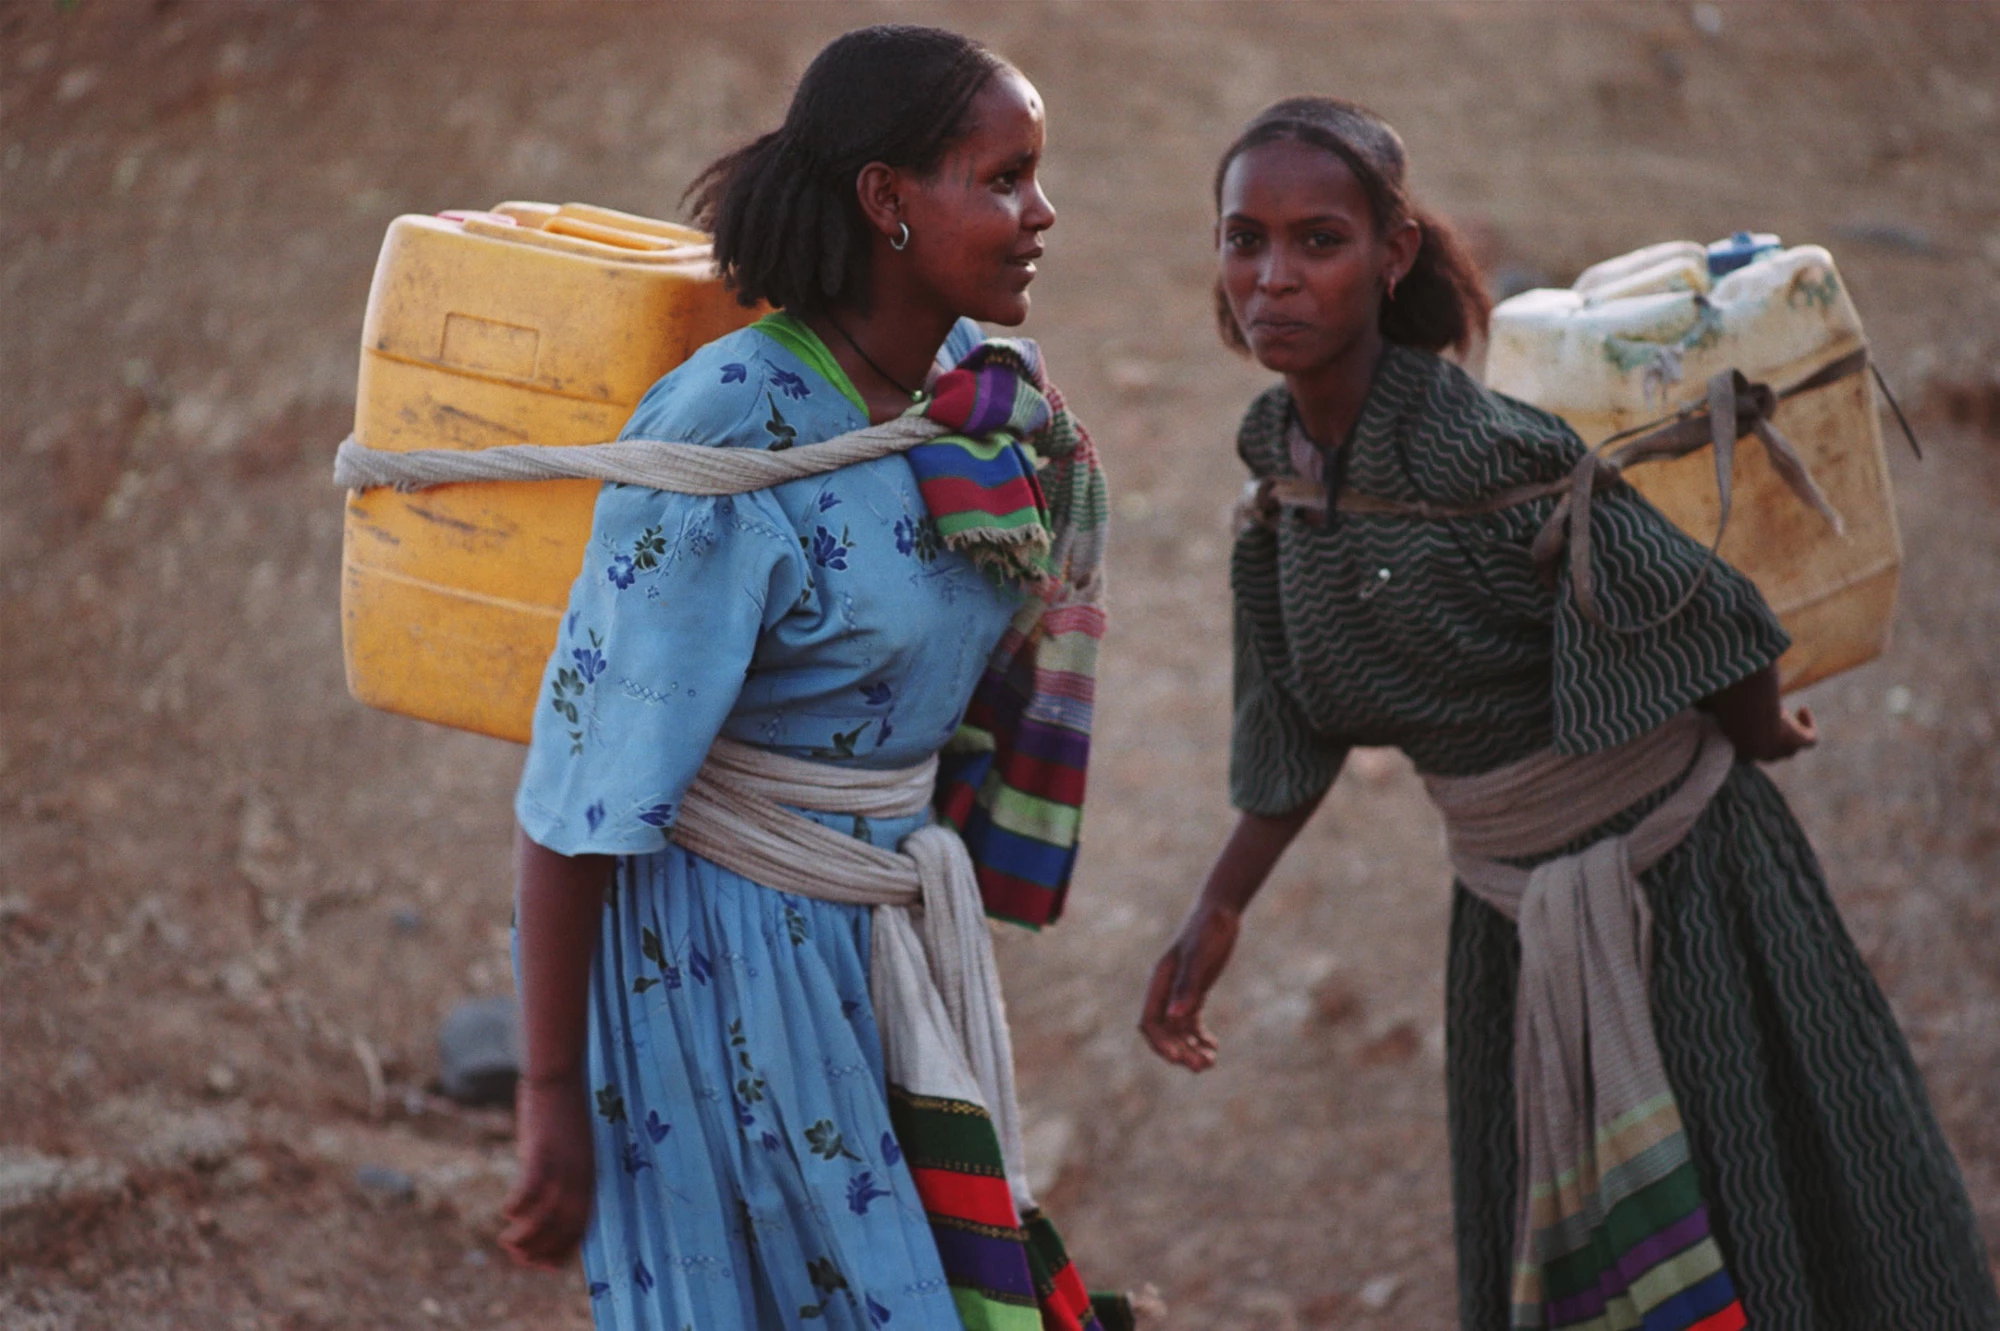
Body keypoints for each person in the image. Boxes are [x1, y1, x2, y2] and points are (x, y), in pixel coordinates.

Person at [1140, 96, 2000, 1331]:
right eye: (1242, 240)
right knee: (1562, 1224)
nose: (1270, 277)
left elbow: (1702, 604)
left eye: (1315, 240)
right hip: (1505, 918)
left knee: (1751, 1199)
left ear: (1390, 255)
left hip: (1680, 890)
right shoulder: (1279, 482)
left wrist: (1761, 734)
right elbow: (1289, 726)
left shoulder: (1492, 456)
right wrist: (1216, 904)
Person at [497, 26, 1129, 1331]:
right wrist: (550, 1086)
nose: (1040, 211)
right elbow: (584, 777)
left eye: (1037, 173)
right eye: (1003, 176)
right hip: (725, 965)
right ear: (887, 200)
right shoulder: (731, 430)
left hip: (882, 935)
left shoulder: (970, 400)